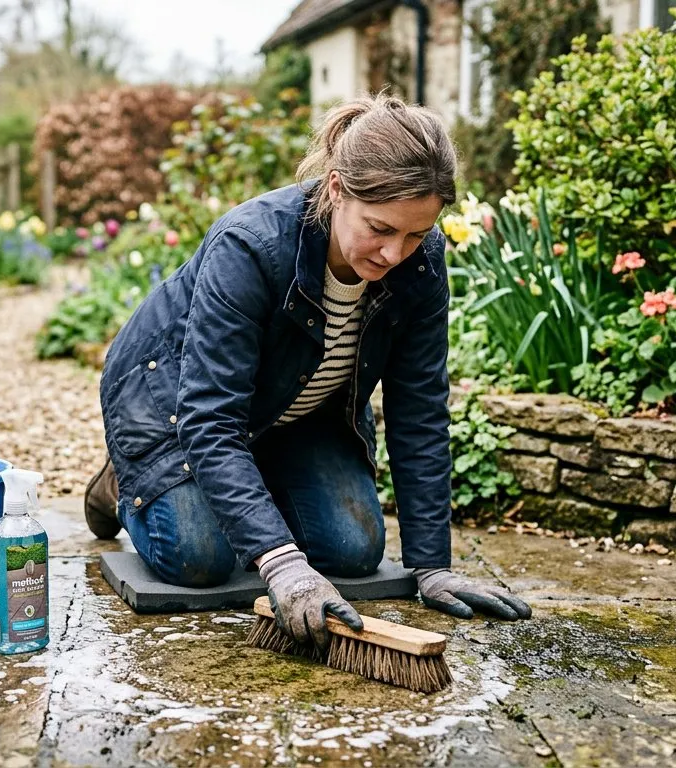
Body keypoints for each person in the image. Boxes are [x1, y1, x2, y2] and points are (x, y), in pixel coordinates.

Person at [84, 92, 532, 650]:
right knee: (199, 556)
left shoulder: (421, 262)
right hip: (174, 410)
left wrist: (430, 566)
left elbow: (419, 412)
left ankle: (245, 486)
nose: (395, 253)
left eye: (415, 233)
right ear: (338, 188)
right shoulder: (249, 246)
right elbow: (210, 418)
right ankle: (122, 482)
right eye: (380, 228)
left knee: (354, 551)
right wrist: (281, 563)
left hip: (295, 415)